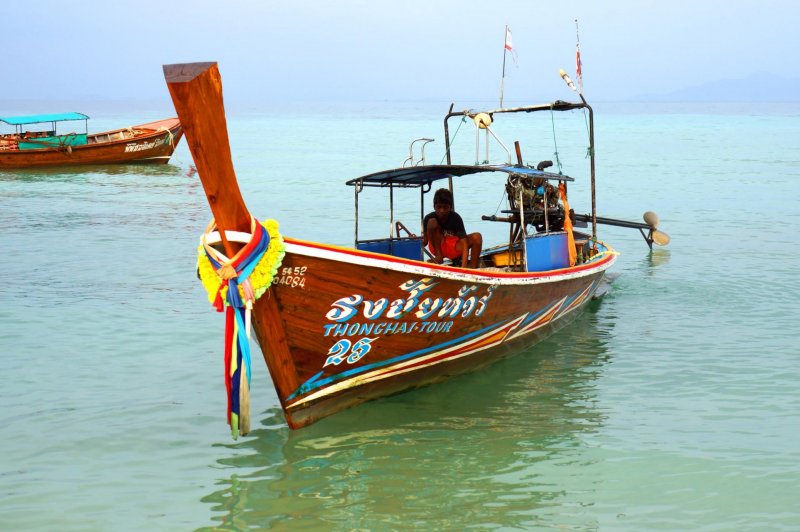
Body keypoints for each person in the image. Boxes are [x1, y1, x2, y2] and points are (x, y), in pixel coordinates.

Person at [422, 188, 482, 268]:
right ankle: (439, 257)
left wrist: (463, 270)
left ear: (450, 207)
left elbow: (464, 245)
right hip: (437, 248)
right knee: (432, 222)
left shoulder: (455, 218)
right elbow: (425, 242)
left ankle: (472, 269)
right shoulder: (428, 218)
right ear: (434, 207)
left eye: (445, 207)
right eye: (439, 207)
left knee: (477, 237)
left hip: (453, 246)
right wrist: (414, 241)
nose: (442, 211)